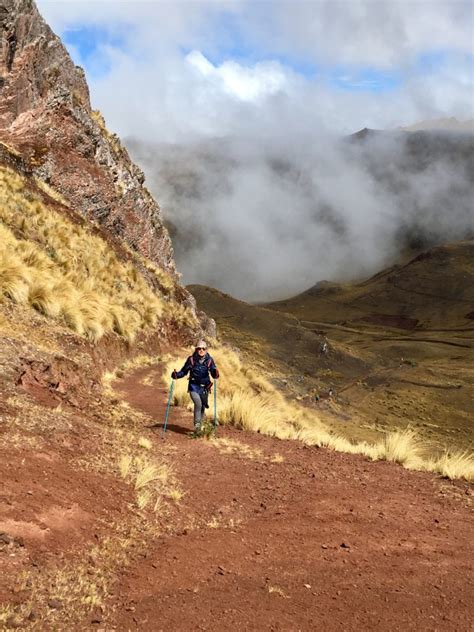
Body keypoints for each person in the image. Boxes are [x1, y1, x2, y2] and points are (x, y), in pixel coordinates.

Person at [171, 340, 219, 435]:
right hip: (193, 386)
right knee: (198, 404)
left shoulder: (210, 360)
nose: (201, 350)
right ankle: (197, 427)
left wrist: (215, 373)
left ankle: (200, 427)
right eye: (199, 348)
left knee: (203, 407)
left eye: (203, 348)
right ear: (196, 349)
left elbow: (214, 372)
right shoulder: (191, 360)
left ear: (206, 350)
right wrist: (176, 375)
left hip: (205, 388)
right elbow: (184, 372)